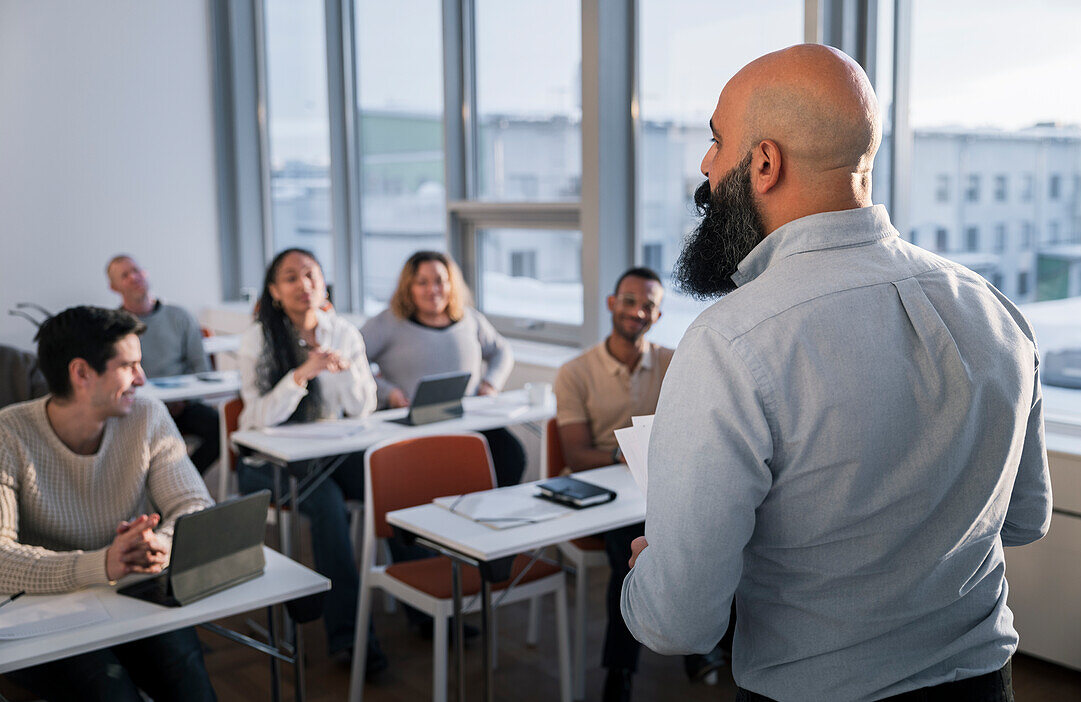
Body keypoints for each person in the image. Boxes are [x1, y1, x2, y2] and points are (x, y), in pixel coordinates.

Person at [620, 44, 1051, 702]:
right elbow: (1024, 521)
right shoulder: (994, 311)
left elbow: (678, 623)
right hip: (984, 682)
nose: (705, 169)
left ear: (764, 162)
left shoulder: (733, 341)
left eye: (715, 142)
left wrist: (652, 580)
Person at [0, 306, 216, 701]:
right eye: (128, 365)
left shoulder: (147, 415)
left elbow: (194, 504)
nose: (142, 378)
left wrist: (164, 543)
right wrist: (100, 565)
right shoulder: (8, 434)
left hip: (132, 593)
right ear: (81, 373)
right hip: (43, 612)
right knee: (108, 688)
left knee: (189, 680)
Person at [554, 266, 725, 701]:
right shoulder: (574, 372)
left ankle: (697, 644)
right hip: (600, 495)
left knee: (708, 530)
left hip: (657, 488)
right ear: (612, 304)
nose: (637, 311)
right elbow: (575, 455)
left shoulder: (674, 362)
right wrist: (626, 451)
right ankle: (621, 671)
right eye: (629, 301)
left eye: (648, 304)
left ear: (659, 314)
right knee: (629, 549)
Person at [234, 248, 387, 673]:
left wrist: (344, 371)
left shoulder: (343, 331)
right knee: (328, 506)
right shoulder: (257, 340)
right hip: (268, 464)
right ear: (274, 291)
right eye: (290, 278)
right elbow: (253, 420)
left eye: (310, 275)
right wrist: (301, 374)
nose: (303, 285)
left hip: (328, 454)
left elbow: (362, 409)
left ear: (323, 283)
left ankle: (424, 604)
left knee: (390, 485)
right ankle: (351, 639)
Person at [361, 250, 526, 487]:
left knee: (511, 457)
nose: (433, 290)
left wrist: (490, 383)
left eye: (440, 281)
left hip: (468, 420)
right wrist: (388, 392)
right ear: (409, 287)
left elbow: (502, 351)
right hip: (412, 427)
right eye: (422, 282)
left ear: (451, 284)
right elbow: (351, 362)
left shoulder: (470, 319)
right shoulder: (388, 322)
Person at [107, 254, 220, 476]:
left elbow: (200, 366)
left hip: (183, 405)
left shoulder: (180, 316)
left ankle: (184, 477)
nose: (134, 277)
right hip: (137, 407)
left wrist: (183, 399)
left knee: (220, 428)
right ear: (114, 287)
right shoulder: (112, 325)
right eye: (125, 275)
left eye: (136, 270)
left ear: (145, 273)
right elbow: (112, 376)